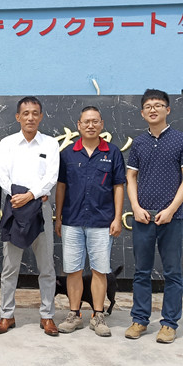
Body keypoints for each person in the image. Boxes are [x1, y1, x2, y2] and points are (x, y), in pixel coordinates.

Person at [125, 89, 183, 344]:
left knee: (172, 272)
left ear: (168, 109)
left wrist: (171, 209)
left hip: (171, 218)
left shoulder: (182, 140)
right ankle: (139, 319)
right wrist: (135, 206)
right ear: (142, 112)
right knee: (141, 272)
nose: (153, 109)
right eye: (148, 106)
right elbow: (131, 176)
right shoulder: (139, 143)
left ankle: (169, 324)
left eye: (158, 105)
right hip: (143, 217)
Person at [55, 106, 126, 337]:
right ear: (78, 125)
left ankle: (98, 316)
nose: (90, 125)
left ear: (102, 124)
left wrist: (117, 218)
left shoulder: (112, 152)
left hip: (102, 222)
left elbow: (118, 186)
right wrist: (58, 217)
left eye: (95, 121)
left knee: (100, 271)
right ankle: (74, 314)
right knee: (73, 271)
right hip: (72, 221)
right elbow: (61, 187)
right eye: (86, 121)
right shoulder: (68, 154)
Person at [0, 96, 60, 336]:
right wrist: (19, 197)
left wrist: (31, 195)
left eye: (35, 113)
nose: (30, 117)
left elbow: (52, 177)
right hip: (14, 208)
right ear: (18, 117)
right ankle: (6, 315)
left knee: (46, 266)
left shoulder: (50, 144)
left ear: (41, 116)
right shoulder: (7, 143)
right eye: (25, 113)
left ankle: (47, 316)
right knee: (10, 267)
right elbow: (2, 176)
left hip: (41, 208)